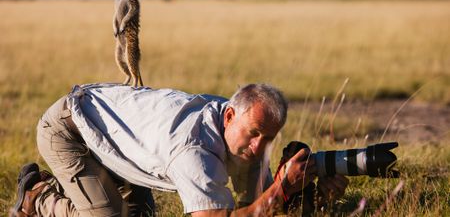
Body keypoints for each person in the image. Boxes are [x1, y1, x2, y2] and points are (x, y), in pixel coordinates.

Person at [11, 83, 348, 216]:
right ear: (229, 115)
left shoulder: (241, 132)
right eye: (255, 134)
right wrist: (281, 187)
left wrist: (314, 196)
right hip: (70, 130)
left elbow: (254, 207)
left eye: (270, 138)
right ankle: (39, 197)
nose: (261, 146)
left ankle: (92, 187)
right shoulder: (194, 150)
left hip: (121, 142)